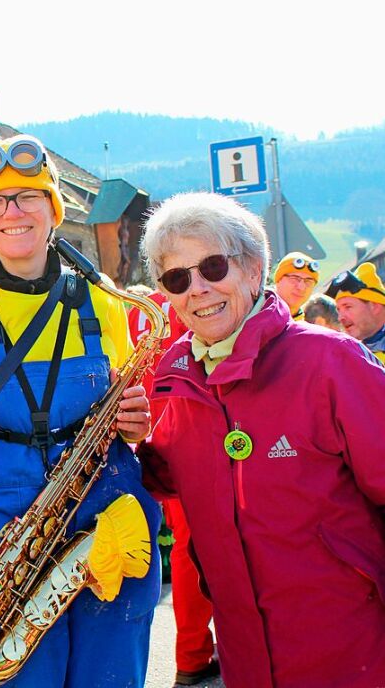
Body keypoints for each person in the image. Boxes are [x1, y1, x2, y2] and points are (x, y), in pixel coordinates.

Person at [0, 134, 160, 688]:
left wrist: (135, 426)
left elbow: (122, 409)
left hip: (108, 518)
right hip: (0, 538)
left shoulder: (103, 296)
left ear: (53, 210)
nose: (12, 211)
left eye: (28, 196)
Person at [139, 192, 385, 688]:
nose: (199, 289)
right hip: (245, 657)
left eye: (213, 266)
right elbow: (164, 473)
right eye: (178, 278)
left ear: (254, 269)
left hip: (352, 651)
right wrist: (128, 441)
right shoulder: (181, 382)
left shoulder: (330, 363)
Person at [128, 288, 218, 687]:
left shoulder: (138, 308)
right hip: (197, 434)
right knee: (213, 550)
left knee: (184, 549)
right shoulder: (202, 301)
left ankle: (193, 654)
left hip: (149, 444)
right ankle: (198, 655)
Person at [327, 262, 385, 360]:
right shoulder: (349, 355)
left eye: (348, 307)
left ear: (375, 306)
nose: (340, 317)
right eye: (339, 310)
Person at [272, 251, 319, 319]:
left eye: (308, 281)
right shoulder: (255, 312)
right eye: (295, 279)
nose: (301, 287)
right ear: (278, 280)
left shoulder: (310, 327)